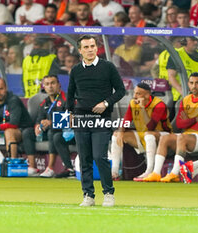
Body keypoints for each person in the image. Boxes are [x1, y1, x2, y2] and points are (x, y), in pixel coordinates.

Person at [67, 35, 125, 207]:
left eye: (92, 46)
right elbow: (70, 94)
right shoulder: (76, 70)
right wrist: (70, 113)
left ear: (97, 48)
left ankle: (108, 193)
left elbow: (120, 90)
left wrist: (106, 103)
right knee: (84, 158)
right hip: (81, 119)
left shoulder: (108, 67)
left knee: (99, 157)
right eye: (86, 47)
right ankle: (88, 195)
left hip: (101, 119)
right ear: (80, 50)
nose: (90, 49)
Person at [143, 72, 198, 183]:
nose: (194, 86)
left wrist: (187, 120)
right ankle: (156, 173)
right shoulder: (185, 100)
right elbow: (179, 124)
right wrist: (195, 119)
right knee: (165, 138)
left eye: (197, 83)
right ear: (188, 84)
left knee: (182, 137)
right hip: (187, 137)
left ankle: (174, 174)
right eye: (191, 83)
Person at [110, 83, 172, 181]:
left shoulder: (159, 104)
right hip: (143, 136)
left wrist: (142, 108)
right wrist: (121, 131)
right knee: (116, 135)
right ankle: (114, 172)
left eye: (138, 94)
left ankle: (149, 171)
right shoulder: (133, 103)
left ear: (147, 95)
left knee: (149, 135)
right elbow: (126, 120)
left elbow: (150, 127)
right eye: (134, 93)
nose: (134, 96)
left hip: (162, 137)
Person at [22, 75, 76, 178]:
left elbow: (72, 118)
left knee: (53, 132)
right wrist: (38, 127)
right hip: (51, 132)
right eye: (47, 84)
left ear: (59, 85)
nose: (50, 86)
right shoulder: (44, 102)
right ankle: (32, 167)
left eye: (52, 83)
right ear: (44, 87)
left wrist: (51, 122)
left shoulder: (67, 99)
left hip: (67, 133)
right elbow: (39, 119)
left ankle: (51, 168)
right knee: (27, 133)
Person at [167, 36, 198, 102]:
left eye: (197, 40)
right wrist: (183, 92)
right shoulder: (176, 54)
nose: (196, 42)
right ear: (184, 41)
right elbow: (171, 76)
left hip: (197, 96)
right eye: (192, 40)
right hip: (180, 97)